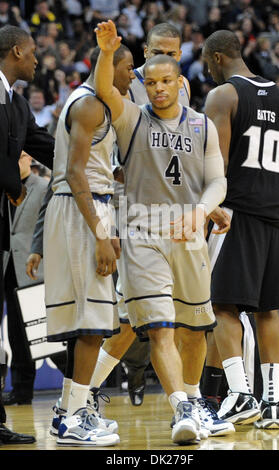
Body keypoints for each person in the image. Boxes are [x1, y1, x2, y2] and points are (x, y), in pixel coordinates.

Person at [94, 20, 233, 445]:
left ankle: (192, 404)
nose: (157, 87)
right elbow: (105, 90)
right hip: (142, 229)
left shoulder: (201, 123)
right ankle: (182, 407)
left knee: (195, 328)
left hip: (189, 233)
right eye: (150, 80)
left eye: (166, 80)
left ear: (180, 80)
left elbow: (217, 181)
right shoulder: (132, 116)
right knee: (160, 328)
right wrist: (104, 53)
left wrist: (203, 210)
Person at [202, 29, 279, 429]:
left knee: (222, 306)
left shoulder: (223, 96)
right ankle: (273, 404)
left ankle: (241, 394)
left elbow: (215, 165)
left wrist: (207, 211)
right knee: (269, 311)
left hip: (236, 213)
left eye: (208, 64)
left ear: (218, 58)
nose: (208, 70)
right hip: (276, 216)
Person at [42, 43, 136, 447]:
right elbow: (76, 174)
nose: (132, 75)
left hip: (83, 209)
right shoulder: (91, 105)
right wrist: (101, 233)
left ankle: (67, 411)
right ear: (108, 67)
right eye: (129, 67)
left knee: (89, 322)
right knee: (90, 324)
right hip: (83, 212)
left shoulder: (91, 104)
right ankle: (76, 417)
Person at [93, 22, 191, 409]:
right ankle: (178, 398)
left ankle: (87, 391)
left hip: (170, 207)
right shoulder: (124, 81)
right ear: (144, 52)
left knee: (144, 316)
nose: (164, 59)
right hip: (127, 206)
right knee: (137, 316)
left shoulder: (180, 87)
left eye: (174, 53)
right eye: (156, 52)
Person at [0, 24, 55, 445]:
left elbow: (46, 145)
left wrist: (97, 166)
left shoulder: (17, 105)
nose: (38, 59)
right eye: (33, 51)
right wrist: (15, 185)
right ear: (16, 50)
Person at [2, 151, 66, 407]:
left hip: (35, 270)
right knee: (16, 334)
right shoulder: (4, 188)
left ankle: (82, 384)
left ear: (30, 159)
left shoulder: (43, 188)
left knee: (43, 335)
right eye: (12, 158)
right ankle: (21, 390)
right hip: (8, 267)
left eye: (21, 157)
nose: (17, 162)